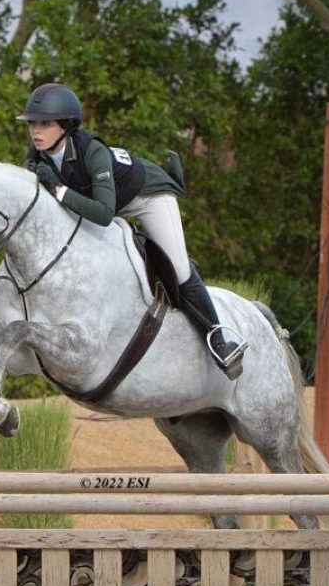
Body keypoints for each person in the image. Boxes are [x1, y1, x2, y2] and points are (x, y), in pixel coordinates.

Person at [17, 81, 247, 379]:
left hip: (148, 196)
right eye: (33, 124)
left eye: (45, 124)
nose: (36, 131)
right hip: (106, 200)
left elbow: (102, 213)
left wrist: (58, 189)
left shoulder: (93, 152)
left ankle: (219, 339)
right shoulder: (37, 155)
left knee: (177, 268)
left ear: (66, 126)